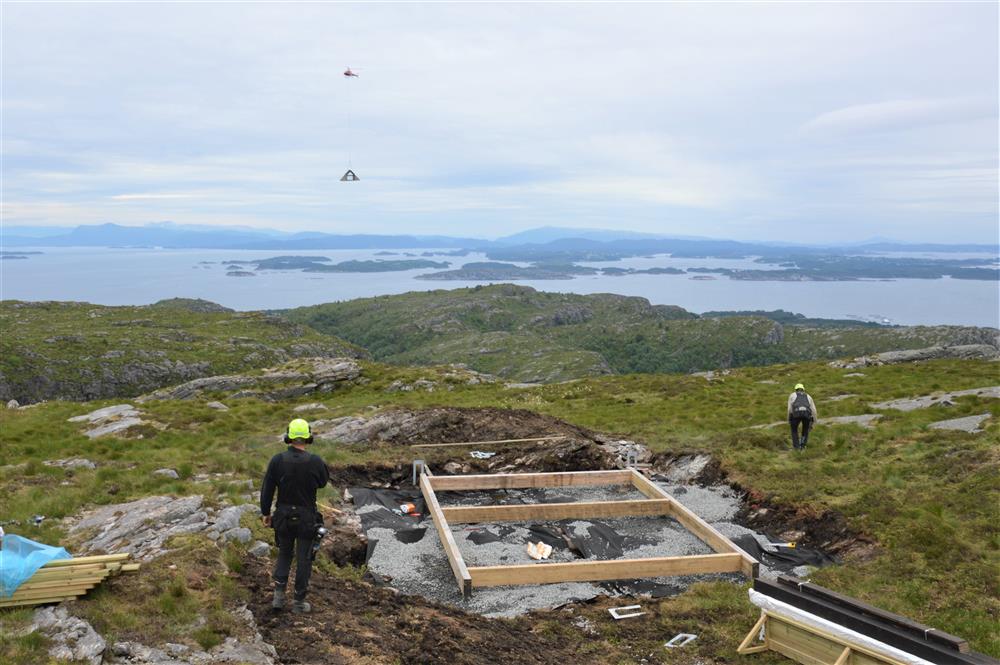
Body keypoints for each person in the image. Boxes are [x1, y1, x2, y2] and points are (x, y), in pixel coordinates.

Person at [260, 418, 330, 613]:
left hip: (282, 516)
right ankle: (299, 602)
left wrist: (266, 513)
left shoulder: (277, 460)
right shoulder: (315, 461)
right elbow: (323, 482)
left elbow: (267, 489)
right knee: (304, 558)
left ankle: (278, 598)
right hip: (306, 517)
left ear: (288, 437)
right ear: (308, 437)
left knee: (284, 554)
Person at [787, 383, 817, 451]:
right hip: (807, 414)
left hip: (796, 414)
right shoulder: (809, 396)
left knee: (794, 430)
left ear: (795, 389)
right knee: (805, 430)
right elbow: (814, 410)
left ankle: (796, 448)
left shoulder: (792, 395)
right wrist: (814, 421)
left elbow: (789, 409)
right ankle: (803, 447)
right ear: (803, 390)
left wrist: (789, 419)